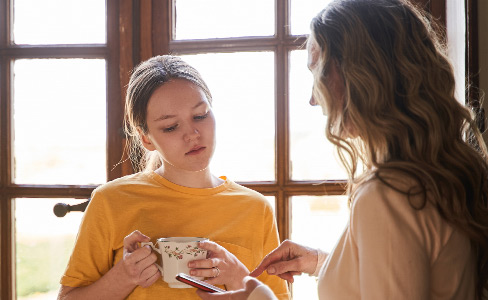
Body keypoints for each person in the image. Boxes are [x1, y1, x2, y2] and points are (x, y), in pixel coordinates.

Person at [197, 0, 488, 299]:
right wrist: (325, 263)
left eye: (319, 72)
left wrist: (259, 297)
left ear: (361, 73)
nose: (313, 98)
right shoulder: (438, 175)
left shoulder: (388, 195)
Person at [57, 55, 289, 299]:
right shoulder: (110, 201)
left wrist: (238, 278)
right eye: (170, 127)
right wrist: (123, 277)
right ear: (146, 138)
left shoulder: (255, 209)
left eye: (200, 116)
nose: (192, 134)